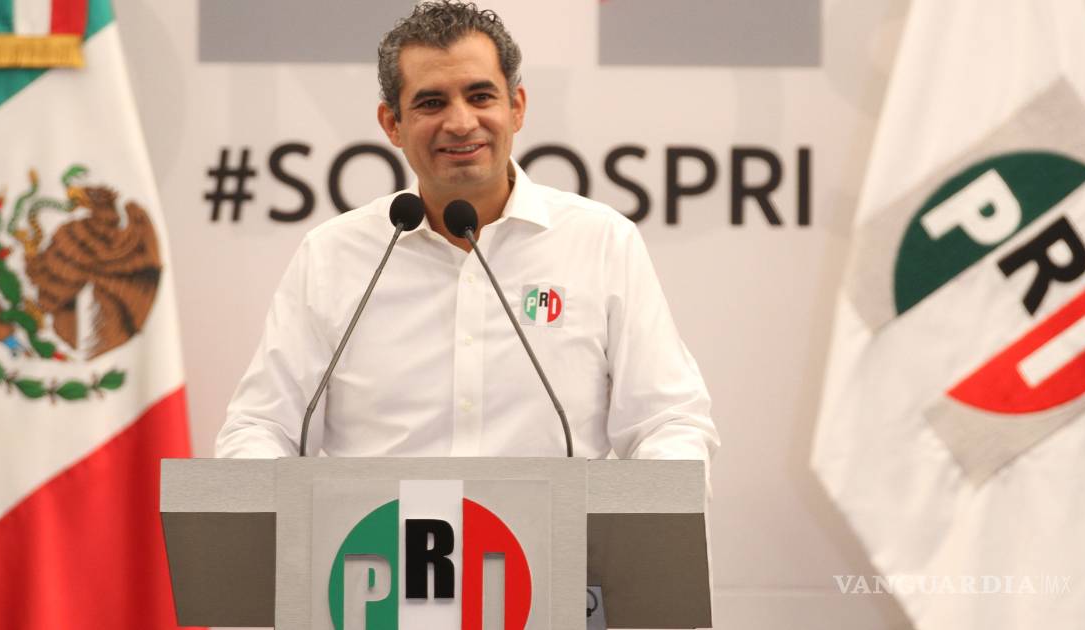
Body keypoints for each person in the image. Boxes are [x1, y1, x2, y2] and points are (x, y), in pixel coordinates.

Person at [216, 1, 718, 466]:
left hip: (557, 536)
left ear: (516, 107)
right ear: (392, 124)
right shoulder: (334, 255)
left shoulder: (601, 242)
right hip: (375, 535)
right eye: (431, 103)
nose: (460, 123)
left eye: (480, 97)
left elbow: (668, 422)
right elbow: (261, 427)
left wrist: (642, 513)